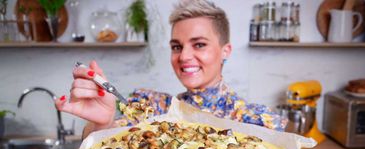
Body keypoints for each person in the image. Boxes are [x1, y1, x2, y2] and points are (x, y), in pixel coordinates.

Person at [55, 0, 287, 139]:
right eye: (177, 46)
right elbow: (105, 145)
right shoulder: (156, 109)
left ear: (225, 50)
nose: (184, 56)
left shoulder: (251, 120)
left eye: (199, 44)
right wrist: (102, 124)